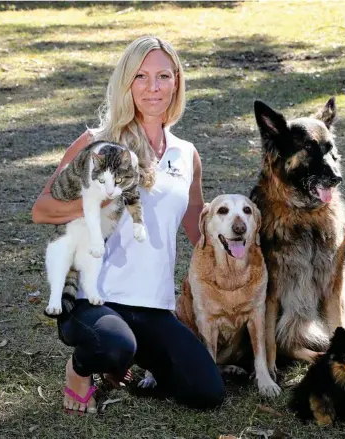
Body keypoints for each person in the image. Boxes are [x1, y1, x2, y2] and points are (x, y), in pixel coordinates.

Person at [32, 36, 225, 413]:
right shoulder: (97, 142)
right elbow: (42, 209)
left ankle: (125, 356)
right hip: (92, 297)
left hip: (151, 304)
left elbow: (198, 230)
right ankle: (81, 368)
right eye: (140, 76)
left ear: (176, 83)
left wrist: (239, 252)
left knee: (205, 393)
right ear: (126, 83)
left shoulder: (186, 155)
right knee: (111, 345)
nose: (152, 87)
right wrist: (96, 201)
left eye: (163, 76)